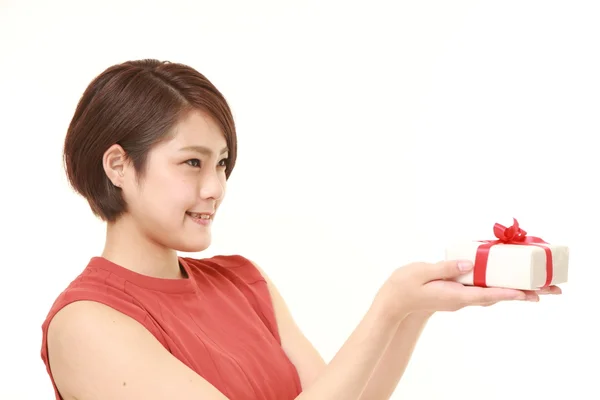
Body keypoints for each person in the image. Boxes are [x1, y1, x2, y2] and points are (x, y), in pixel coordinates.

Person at [40, 59, 561, 400]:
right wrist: (385, 310)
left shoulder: (243, 281)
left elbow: (342, 395)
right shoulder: (88, 324)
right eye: (192, 163)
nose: (216, 187)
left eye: (222, 163)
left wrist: (411, 310)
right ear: (118, 166)